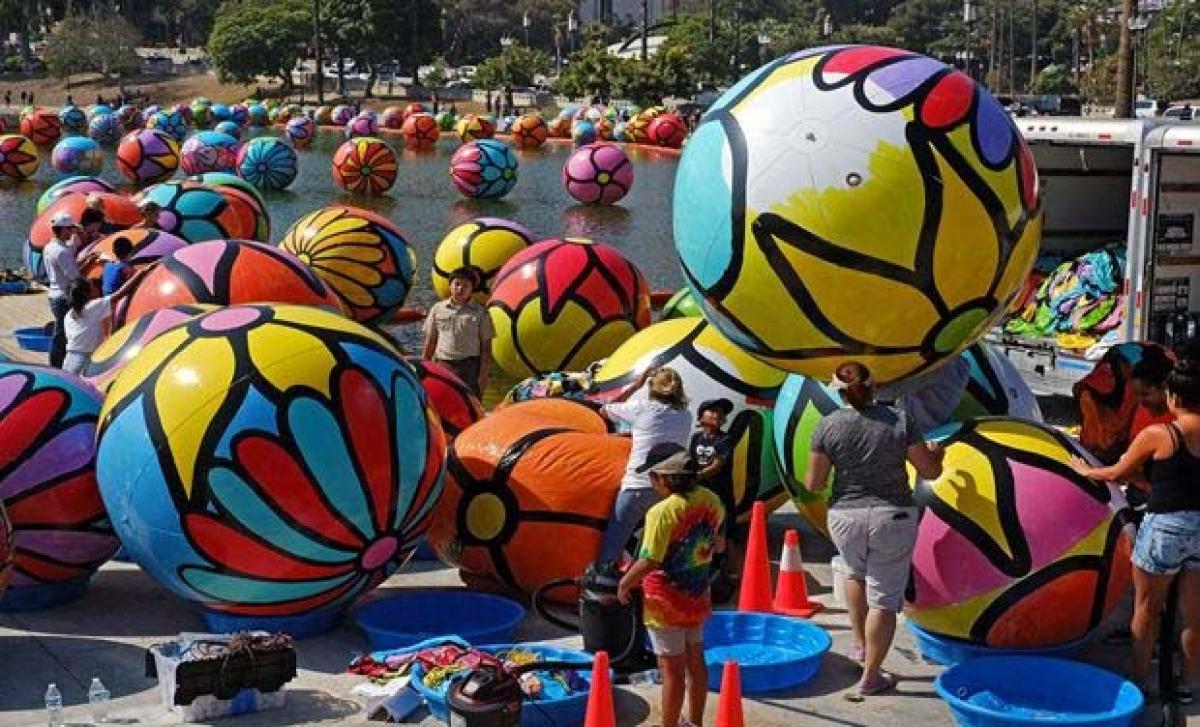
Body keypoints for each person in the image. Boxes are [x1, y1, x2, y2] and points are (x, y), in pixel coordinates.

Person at [804, 361, 944, 701]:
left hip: (845, 517)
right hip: (892, 516)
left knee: (854, 573)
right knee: (884, 599)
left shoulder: (826, 426)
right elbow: (929, 471)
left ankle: (860, 644)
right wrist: (937, 455)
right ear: (875, 385)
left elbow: (814, 483)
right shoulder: (900, 421)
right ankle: (870, 677)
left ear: (837, 390)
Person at [1070, 357, 1200, 702]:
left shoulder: (1161, 433)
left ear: (1173, 396)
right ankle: (1186, 685)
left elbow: (1115, 473)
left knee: (1147, 609)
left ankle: (1139, 680)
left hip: (1165, 528)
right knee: (1194, 613)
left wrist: (1084, 471)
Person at [618, 444, 724, 727]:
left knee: (671, 671)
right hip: (697, 594)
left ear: (665, 478)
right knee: (695, 662)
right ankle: (696, 722)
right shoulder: (712, 500)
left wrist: (624, 584)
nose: (651, 483)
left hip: (665, 602)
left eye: (652, 477)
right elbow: (720, 543)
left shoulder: (662, 512)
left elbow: (650, 560)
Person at [597, 367, 691, 563]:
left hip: (638, 486)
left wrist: (635, 385)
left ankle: (602, 581)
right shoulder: (685, 415)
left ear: (651, 387)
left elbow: (604, 410)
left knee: (613, 544)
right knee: (656, 549)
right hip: (669, 491)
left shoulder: (641, 408)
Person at [688, 398, 740, 589]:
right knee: (700, 531)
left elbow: (717, 465)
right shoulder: (695, 438)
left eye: (721, 412)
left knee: (727, 533)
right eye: (712, 411)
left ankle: (733, 572)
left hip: (721, 493)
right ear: (701, 417)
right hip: (700, 494)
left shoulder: (725, 440)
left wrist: (696, 476)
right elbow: (691, 460)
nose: (717, 414)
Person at [421, 267, 493, 397]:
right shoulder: (437, 309)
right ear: (450, 286)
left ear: (472, 289)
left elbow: (486, 347)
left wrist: (483, 374)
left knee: (471, 402)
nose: (460, 289)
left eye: (466, 285)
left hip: (470, 367)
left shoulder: (480, 312)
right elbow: (431, 340)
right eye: (457, 284)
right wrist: (424, 366)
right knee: (443, 401)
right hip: (443, 363)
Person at [61, 280, 112, 375]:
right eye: (93, 288)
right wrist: (140, 274)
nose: (97, 289)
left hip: (69, 359)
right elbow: (119, 294)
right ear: (87, 293)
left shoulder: (68, 315)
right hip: (84, 361)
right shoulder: (92, 306)